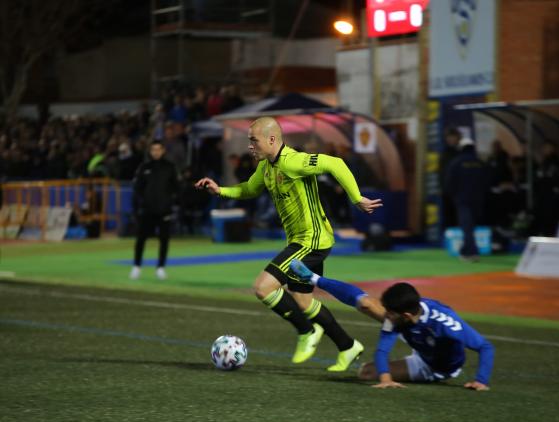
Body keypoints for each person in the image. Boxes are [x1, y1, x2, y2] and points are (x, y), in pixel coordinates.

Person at [195, 116, 382, 370]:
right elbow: (249, 189)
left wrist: (356, 197)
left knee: (263, 288)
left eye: (254, 140)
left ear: (272, 139)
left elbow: (335, 163)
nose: (250, 146)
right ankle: (348, 347)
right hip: (300, 241)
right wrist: (221, 191)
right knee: (303, 301)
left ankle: (306, 331)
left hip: (312, 240)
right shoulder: (266, 166)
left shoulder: (294, 161)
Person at [289, 259, 495, 390]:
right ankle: (314, 278)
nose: (386, 315)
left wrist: (481, 380)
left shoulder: (446, 323)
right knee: (367, 304)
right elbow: (382, 350)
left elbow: (485, 346)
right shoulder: (398, 317)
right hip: (415, 335)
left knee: (365, 373)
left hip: (434, 367)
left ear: (405, 314)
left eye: (391, 313)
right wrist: (386, 379)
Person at [130, 141, 180, 280]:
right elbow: (138, 189)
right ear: (150, 151)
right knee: (141, 239)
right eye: (153, 149)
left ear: (163, 150)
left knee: (164, 240)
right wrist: (140, 205)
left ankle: (160, 268)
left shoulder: (170, 167)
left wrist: (171, 203)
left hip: (165, 211)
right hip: (147, 210)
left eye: (158, 149)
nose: (156, 152)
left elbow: (176, 188)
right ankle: (136, 266)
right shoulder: (144, 167)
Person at [444, 137, 491, 261]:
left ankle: (471, 252)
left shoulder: (456, 163)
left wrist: (453, 196)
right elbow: (487, 181)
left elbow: (449, 183)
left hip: (462, 199)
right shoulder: (480, 163)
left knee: (466, 226)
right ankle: (466, 250)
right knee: (471, 226)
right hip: (478, 199)